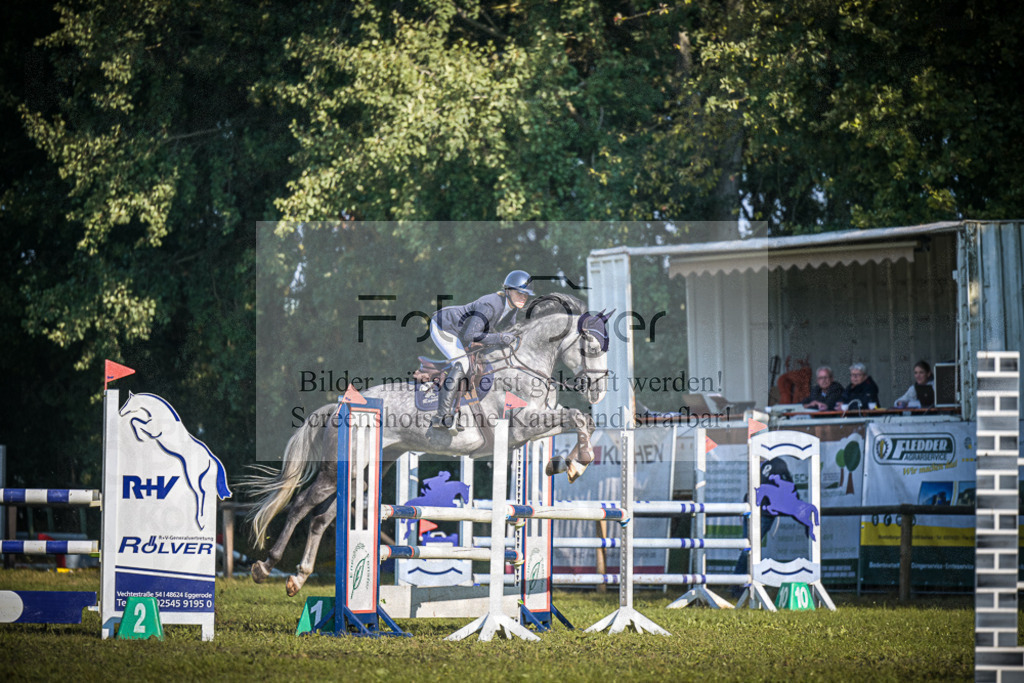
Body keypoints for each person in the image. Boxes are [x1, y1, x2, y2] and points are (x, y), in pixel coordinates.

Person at [427, 270, 533, 433]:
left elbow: (508, 333)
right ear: (508, 291)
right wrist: (500, 338)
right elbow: (472, 335)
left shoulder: (512, 308)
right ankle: (440, 416)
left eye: (526, 295)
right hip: (444, 326)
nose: (523, 297)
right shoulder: (490, 304)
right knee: (461, 362)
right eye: (519, 293)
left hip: (460, 332)